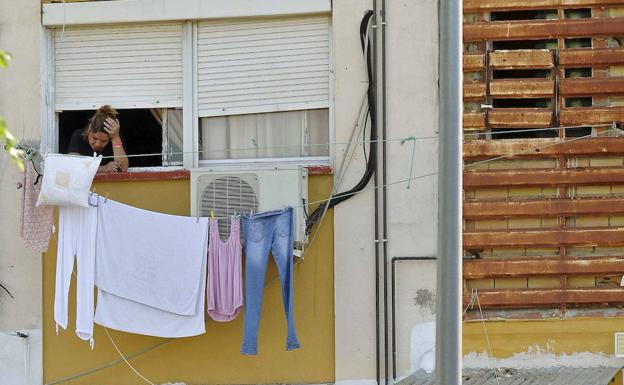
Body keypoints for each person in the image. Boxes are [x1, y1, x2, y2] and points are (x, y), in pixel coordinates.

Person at [68, 105, 129, 173]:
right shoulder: (78, 135)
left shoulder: (116, 137)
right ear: (89, 129)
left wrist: (115, 138)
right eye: (94, 138)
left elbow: (123, 169)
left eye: (104, 141)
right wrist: (103, 169)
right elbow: (73, 164)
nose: (98, 144)